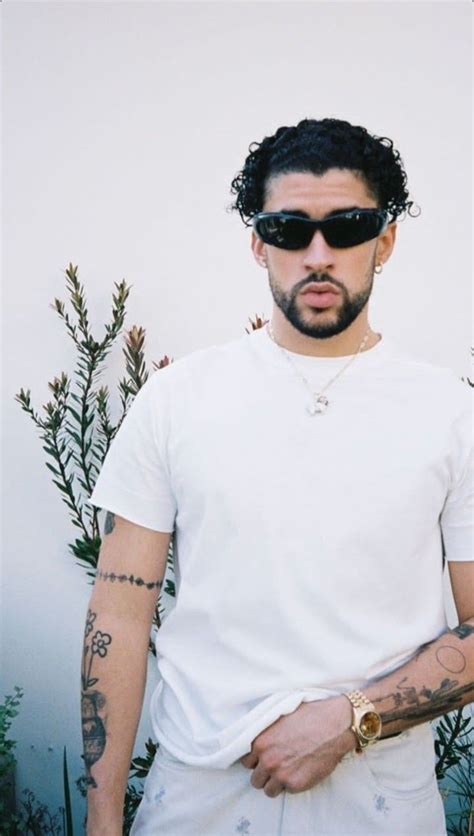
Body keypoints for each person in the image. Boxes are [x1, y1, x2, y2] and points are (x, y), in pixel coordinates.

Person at [82, 118, 473, 836]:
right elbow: (118, 615)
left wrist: (353, 719)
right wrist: (103, 814)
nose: (317, 254)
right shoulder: (177, 400)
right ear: (259, 242)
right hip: (196, 800)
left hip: (381, 804)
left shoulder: (451, 413)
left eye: (347, 227)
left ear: (384, 241)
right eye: (289, 229)